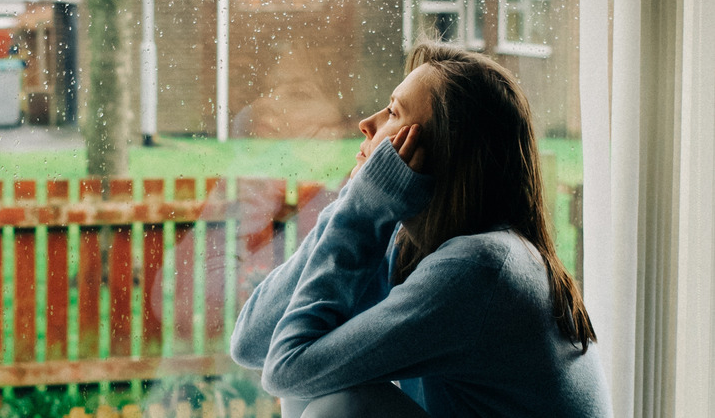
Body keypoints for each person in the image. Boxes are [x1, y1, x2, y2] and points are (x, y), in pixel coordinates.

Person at [230, 41, 612, 417]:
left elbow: (286, 370)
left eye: (393, 113)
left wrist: (361, 210)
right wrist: (356, 205)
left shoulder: (480, 268)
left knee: (344, 404)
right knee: (325, 379)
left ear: (439, 149)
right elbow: (251, 344)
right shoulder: (415, 248)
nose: (367, 123)